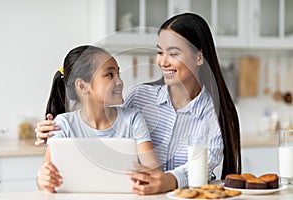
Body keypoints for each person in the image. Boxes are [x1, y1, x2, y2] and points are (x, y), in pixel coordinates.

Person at [35, 13, 241, 195]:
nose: (163, 61)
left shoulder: (216, 111)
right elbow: (97, 117)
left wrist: (168, 181)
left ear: (199, 57)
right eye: (160, 52)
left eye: (174, 53)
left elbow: (206, 162)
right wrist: (52, 131)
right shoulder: (140, 97)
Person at [36, 45, 161, 193]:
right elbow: (44, 179)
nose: (120, 81)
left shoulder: (133, 119)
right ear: (82, 86)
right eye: (109, 75)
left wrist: (147, 176)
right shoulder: (63, 125)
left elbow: (155, 171)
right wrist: (43, 179)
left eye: (118, 73)